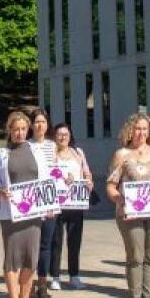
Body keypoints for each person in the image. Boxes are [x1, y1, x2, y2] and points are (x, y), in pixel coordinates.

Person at [0, 110, 51, 298]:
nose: (20, 133)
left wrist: (49, 205)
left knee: (30, 261)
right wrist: (0, 191)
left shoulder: (36, 150)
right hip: (11, 216)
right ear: (9, 130)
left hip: (33, 214)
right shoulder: (1, 154)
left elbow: (45, 180)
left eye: (24, 129)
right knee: (13, 260)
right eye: (16, 129)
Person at [106, 114, 150, 298]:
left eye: (144, 129)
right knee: (135, 256)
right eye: (137, 129)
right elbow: (111, 185)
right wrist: (119, 199)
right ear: (130, 131)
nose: (141, 133)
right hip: (130, 214)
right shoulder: (122, 155)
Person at [48, 122, 92, 289]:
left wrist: (88, 182)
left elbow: (87, 173)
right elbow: (48, 172)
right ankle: (55, 276)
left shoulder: (77, 152)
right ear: (55, 136)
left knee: (75, 241)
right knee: (56, 241)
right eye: (59, 134)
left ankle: (74, 275)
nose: (63, 137)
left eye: (66, 134)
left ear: (70, 136)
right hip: (58, 203)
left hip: (75, 203)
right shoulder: (51, 153)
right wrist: (62, 178)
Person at [28, 107, 58, 298]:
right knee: (31, 245)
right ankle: (28, 283)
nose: (40, 125)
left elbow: (56, 170)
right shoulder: (25, 145)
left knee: (46, 244)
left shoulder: (52, 145)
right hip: (30, 200)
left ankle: (43, 283)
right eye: (37, 122)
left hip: (48, 199)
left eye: (43, 122)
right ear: (32, 125)